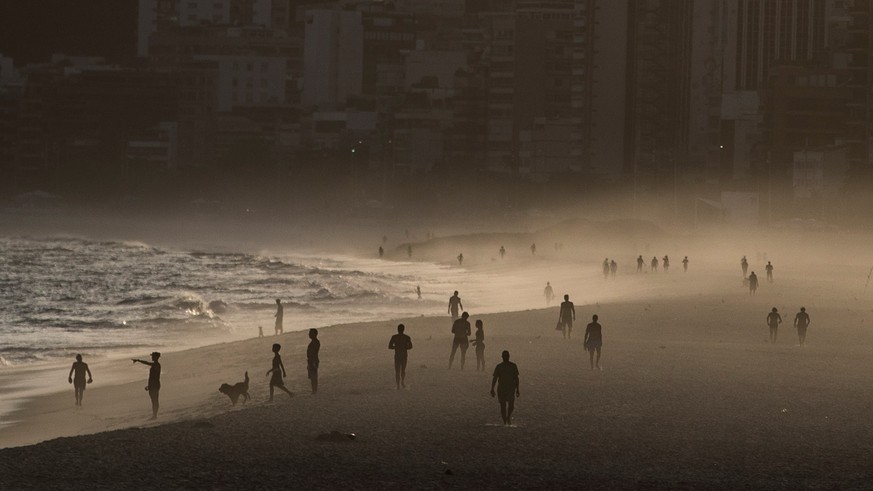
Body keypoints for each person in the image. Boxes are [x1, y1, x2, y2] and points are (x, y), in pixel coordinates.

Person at [490, 350, 520, 426]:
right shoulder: (499, 366)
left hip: (510, 388)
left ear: (508, 357)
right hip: (501, 388)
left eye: (506, 356)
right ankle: (504, 422)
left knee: (511, 405)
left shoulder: (513, 366)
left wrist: (517, 389)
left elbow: (516, 378)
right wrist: (492, 388)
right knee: (503, 405)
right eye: (504, 356)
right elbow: (495, 378)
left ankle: (508, 417)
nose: (505, 357)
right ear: (502, 357)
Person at [132, 352, 161, 419]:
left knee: (155, 401)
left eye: (153, 356)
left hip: (154, 385)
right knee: (154, 401)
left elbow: (155, 377)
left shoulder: (156, 365)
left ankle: (155, 416)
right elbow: (147, 363)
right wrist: (138, 360)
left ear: (156, 357)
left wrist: (138, 360)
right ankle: (154, 415)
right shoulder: (155, 365)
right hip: (153, 385)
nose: (152, 357)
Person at [388, 323, 413, 389]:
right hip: (404, 355)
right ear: (404, 329)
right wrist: (404, 347)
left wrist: (396, 347)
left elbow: (390, 346)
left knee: (397, 370)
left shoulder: (394, 337)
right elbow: (410, 346)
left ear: (397, 329)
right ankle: (402, 381)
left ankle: (398, 385)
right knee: (403, 370)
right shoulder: (407, 337)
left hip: (397, 355)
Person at [307, 329, 320, 395]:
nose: (309, 334)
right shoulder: (314, 342)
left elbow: (314, 353)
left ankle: (314, 390)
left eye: (310, 333)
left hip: (313, 361)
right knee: (312, 376)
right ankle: (314, 390)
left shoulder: (315, 342)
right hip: (311, 360)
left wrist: (313, 362)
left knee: (313, 376)